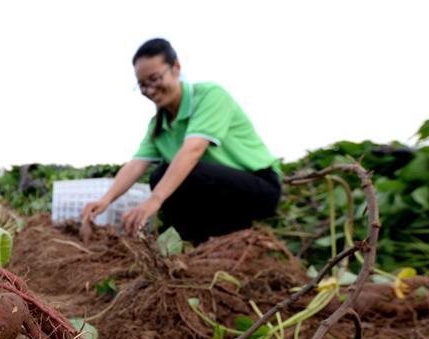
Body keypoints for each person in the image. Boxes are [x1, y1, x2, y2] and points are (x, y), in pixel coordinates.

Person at [81, 38, 282, 243]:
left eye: (155, 79)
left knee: (186, 174)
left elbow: (193, 150)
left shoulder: (209, 96)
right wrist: (105, 200)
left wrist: (155, 200)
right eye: (142, 85)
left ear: (176, 67)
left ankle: (227, 238)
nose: (150, 90)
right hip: (215, 190)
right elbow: (136, 165)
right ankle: (192, 245)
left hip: (259, 187)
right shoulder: (158, 124)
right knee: (159, 176)